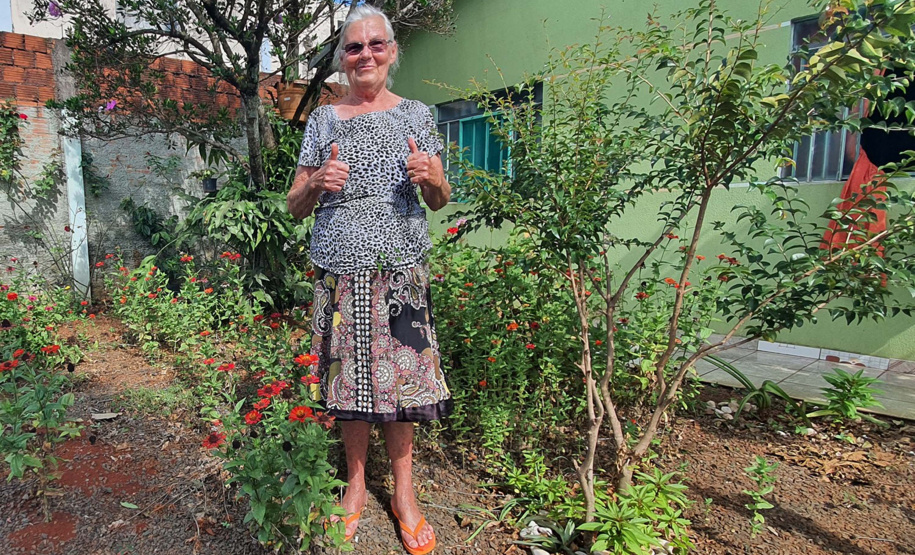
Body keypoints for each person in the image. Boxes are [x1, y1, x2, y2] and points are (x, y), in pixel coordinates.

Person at [286, 5, 451, 555]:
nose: (365, 55)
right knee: (351, 386)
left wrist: (432, 177)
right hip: (340, 273)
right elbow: (293, 205)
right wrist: (317, 185)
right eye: (354, 47)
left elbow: (438, 197)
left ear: (393, 50)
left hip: (400, 273)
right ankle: (356, 486)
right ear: (342, 59)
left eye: (375, 44)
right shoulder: (324, 121)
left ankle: (404, 494)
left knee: (403, 386)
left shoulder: (418, 117)